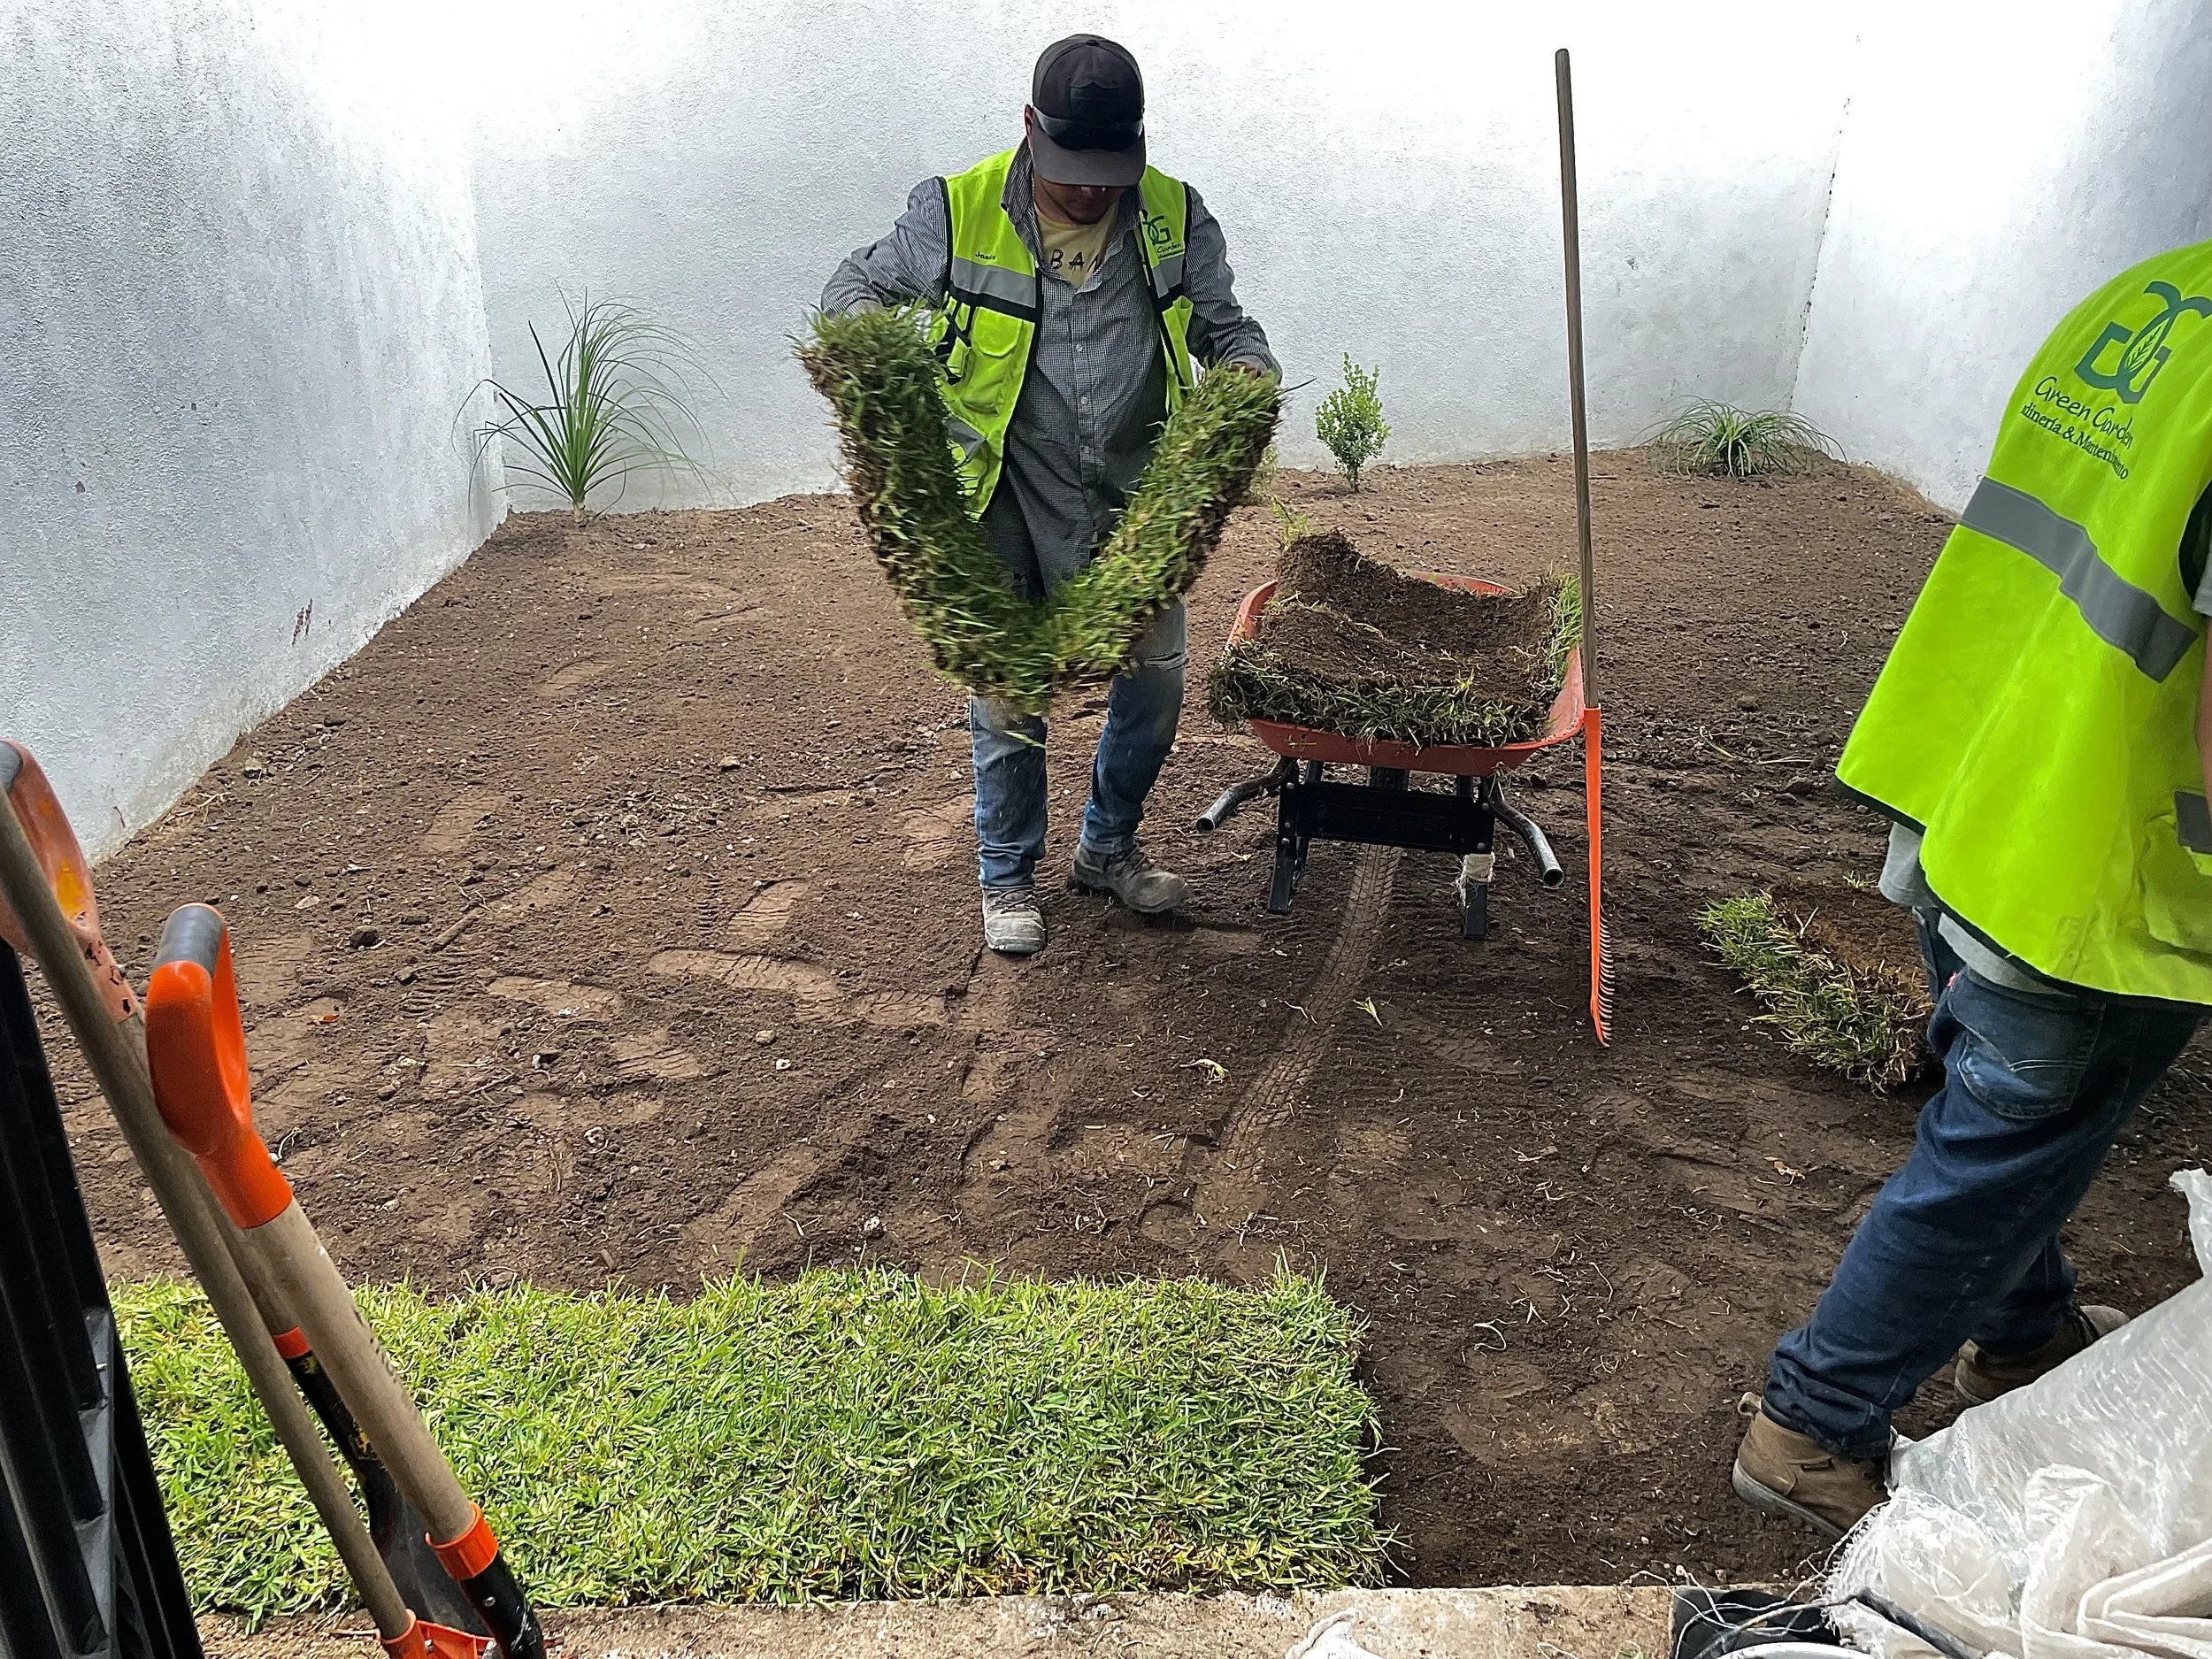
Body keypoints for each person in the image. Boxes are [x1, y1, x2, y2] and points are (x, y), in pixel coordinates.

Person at [1732, 240, 2212, 1539]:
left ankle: (2022, 1330)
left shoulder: (2158, 291)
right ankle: (1813, 1426)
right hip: (2095, 867)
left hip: (1971, 777)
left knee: (2006, 1115)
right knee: (2002, 1139)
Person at [821, 34, 1278, 956]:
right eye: (1071, 170)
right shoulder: (955, 208)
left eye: (1108, 172)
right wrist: (878, 366)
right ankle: (1006, 873)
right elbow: (853, 292)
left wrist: (1248, 378)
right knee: (1006, 687)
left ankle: (1106, 847)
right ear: (1030, 127)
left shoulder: (1173, 215)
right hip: (1001, 492)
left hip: (1134, 494)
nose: (1088, 192)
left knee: (1154, 682)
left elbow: (1228, 329)